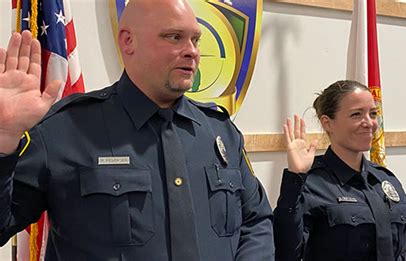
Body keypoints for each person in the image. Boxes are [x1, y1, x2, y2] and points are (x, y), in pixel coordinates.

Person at [0, 0, 274, 260]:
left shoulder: (219, 132)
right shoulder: (65, 130)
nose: (192, 50)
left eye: (195, 39)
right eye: (174, 37)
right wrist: (4, 140)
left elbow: (255, 220)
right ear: (128, 41)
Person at [273, 80, 406, 261]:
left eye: (373, 114)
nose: (369, 123)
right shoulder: (311, 184)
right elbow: (286, 252)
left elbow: (401, 254)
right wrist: (295, 177)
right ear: (328, 123)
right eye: (356, 114)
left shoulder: (385, 180)